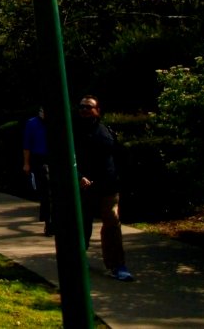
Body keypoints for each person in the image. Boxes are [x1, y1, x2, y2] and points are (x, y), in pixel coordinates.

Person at [74, 95, 133, 282]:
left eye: (88, 107)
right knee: (82, 224)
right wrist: (79, 177)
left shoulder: (106, 132)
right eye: (82, 107)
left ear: (97, 110)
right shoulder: (73, 132)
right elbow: (68, 158)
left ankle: (117, 265)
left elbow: (116, 157)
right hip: (84, 187)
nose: (84, 110)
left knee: (112, 223)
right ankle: (77, 258)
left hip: (108, 185)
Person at [22, 106, 52, 235]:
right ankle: (49, 223)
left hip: (54, 159)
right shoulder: (32, 123)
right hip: (40, 160)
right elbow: (27, 145)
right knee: (46, 191)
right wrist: (26, 163)